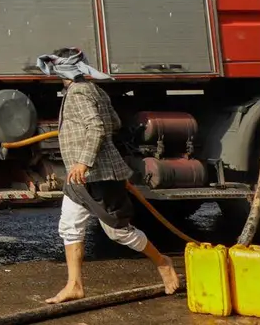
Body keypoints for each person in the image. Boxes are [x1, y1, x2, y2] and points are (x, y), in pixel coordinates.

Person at [37, 48, 180, 304]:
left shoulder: (79, 92)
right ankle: (75, 285)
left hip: (96, 174)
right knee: (69, 226)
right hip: (80, 178)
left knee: (118, 232)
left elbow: (97, 127)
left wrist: (83, 160)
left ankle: (163, 262)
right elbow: (113, 122)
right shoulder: (96, 90)